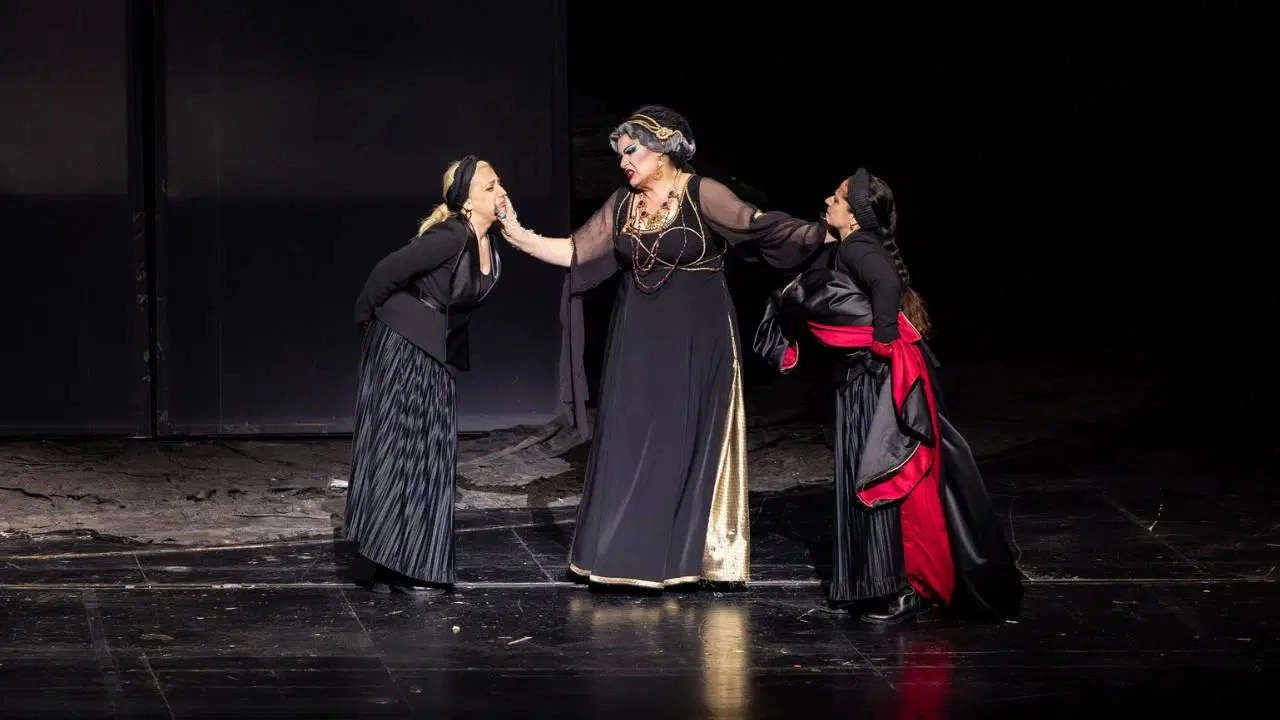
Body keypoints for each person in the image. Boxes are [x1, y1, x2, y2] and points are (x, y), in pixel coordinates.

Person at [496, 105, 835, 590]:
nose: (623, 162)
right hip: (636, 338)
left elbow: (759, 226)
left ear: (663, 151)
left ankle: (681, 559)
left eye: (632, 151)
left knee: (683, 438)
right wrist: (515, 231)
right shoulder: (622, 203)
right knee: (629, 438)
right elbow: (575, 250)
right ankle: (624, 556)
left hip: (696, 337)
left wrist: (825, 232)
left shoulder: (702, 192)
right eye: (620, 154)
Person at [754, 169, 1023, 623]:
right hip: (865, 378)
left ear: (856, 214)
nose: (828, 200)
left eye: (837, 197)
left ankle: (903, 587)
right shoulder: (849, 246)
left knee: (883, 471)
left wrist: (881, 338)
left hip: (878, 379)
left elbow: (886, 284)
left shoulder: (858, 247)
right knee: (871, 469)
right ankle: (876, 584)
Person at [347, 155, 506, 594]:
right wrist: (366, 317)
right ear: (466, 201)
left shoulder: (488, 242)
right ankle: (395, 564)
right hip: (403, 344)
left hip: (436, 352)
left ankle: (400, 561)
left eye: (499, 183)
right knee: (401, 450)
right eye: (490, 186)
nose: (501, 192)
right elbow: (387, 272)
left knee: (429, 454)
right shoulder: (451, 234)